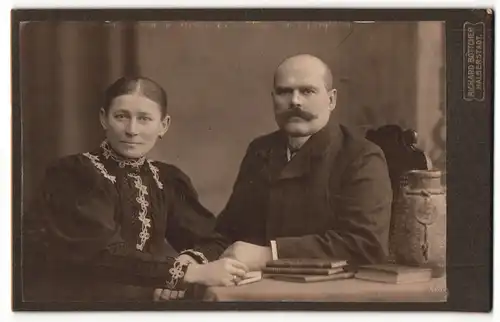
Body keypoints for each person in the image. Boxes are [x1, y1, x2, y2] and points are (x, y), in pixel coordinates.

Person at [23, 76, 249, 302]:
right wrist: (186, 274)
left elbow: (214, 239)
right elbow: (101, 252)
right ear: (104, 119)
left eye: (144, 119)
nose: (131, 130)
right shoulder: (73, 174)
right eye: (121, 117)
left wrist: (189, 262)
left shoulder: (166, 179)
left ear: (163, 125)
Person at [181, 54, 393, 271]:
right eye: (284, 92)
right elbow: (230, 231)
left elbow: (366, 245)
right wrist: (196, 259)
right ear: (273, 98)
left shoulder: (361, 157)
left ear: (331, 100)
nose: (295, 101)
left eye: (307, 91)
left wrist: (271, 254)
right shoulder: (261, 151)